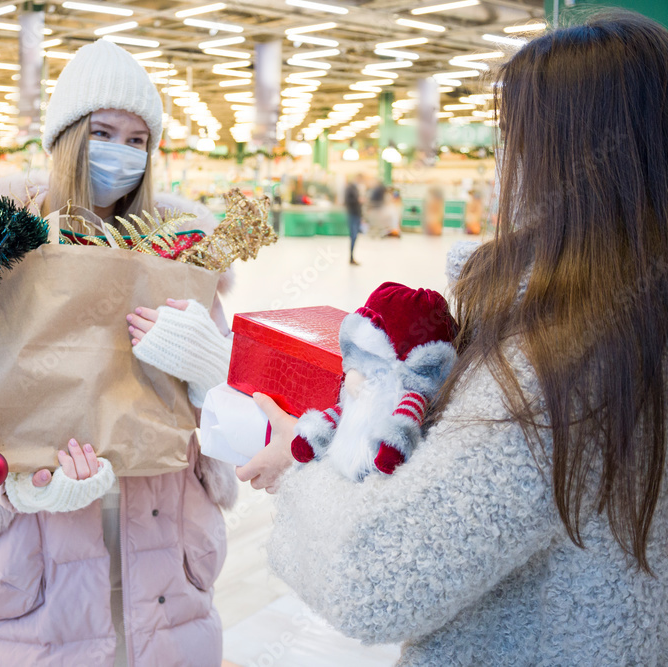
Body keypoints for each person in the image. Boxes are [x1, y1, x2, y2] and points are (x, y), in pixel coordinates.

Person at [234, 11, 668, 664]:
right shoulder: (637, 327)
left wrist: (300, 456)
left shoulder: (556, 372)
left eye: (516, 141)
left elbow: (375, 576)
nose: (506, 167)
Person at [0, 39, 237, 666]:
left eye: (139, 140)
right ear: (66, 137)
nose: (122, 154)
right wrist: (20, 490)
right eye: (104, 132)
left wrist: (214, 372)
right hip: (36, 562)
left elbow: (232, 429)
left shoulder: (182, 253)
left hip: (164, 551)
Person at [344, 173, 364, 265]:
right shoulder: (350, 188)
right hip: (352, 214)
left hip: (356, 214)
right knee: (353, 236)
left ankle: (352, 257)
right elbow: (347, 201)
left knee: (355, 236)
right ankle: (351, 257)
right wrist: (357, 200)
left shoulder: (355, 188)